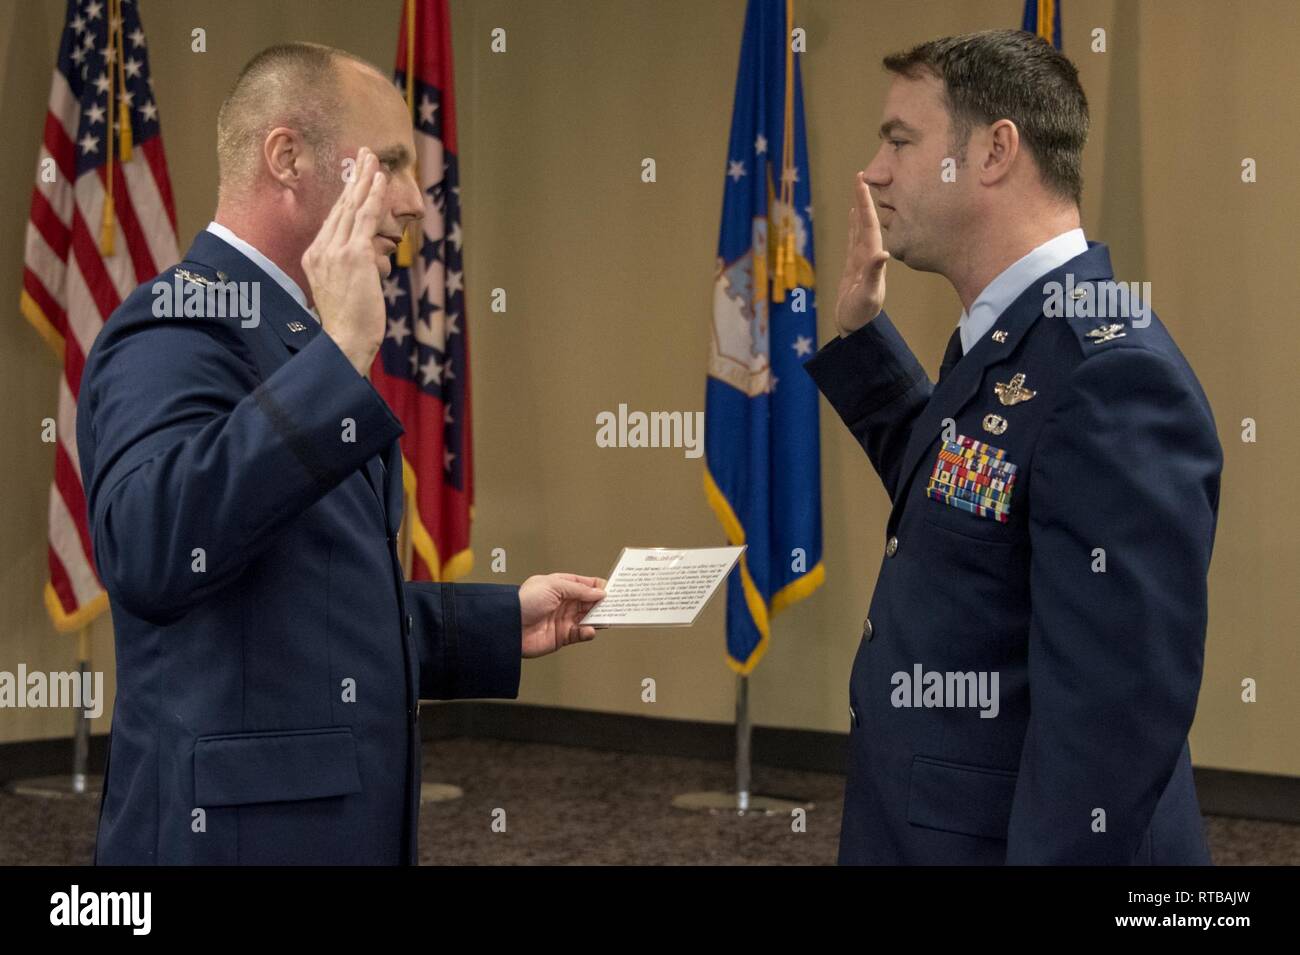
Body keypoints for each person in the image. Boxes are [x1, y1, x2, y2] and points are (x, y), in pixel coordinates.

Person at [77, 42, 606, 864]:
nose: (413, 203)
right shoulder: (174, 323)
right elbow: (149, 552)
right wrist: (338, 359)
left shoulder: (300, 332)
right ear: (286, 157)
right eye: (390, 164)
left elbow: (306, 608)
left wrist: (500, 621)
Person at [804, 29, 1222, 864]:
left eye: (899, 140)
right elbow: (968, 516)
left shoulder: (1112, 375)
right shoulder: (1017, 336)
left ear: (994, 152)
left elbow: (1112, 719)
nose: (874, 171)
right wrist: (860, 340)